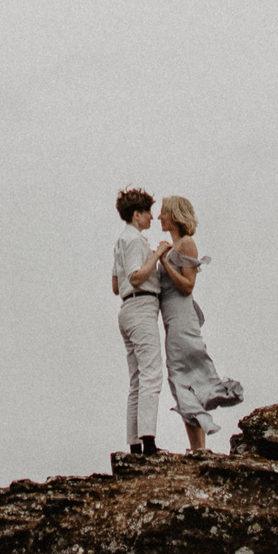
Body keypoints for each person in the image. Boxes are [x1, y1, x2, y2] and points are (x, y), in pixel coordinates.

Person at [154, 194, 244, 452]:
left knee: (183, 376)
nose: (159, 217)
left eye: (163, 212)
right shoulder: (172, 248)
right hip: (172, 322)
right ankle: (198, 447)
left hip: (182, 321)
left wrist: (162, 261)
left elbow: (187, 286)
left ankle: (198, 447)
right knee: (180, 378)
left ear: (175, 215)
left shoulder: (186, 244)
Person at [110, 186, 166, 455]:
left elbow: (115, 284)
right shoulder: (134, 241)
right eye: (148, 213)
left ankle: (134, 442)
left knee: (136, 378)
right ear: (136, 214)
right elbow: (134, 277)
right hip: (141, 304)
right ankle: (148, 441)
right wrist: (156, 255)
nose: (152, 219)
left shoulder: (121, 241)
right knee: (151, 373)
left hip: (127, 308)